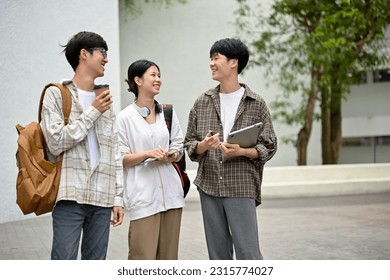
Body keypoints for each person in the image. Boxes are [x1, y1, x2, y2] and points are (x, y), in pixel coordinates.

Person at [184, 38, 277, 260]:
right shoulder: (202, 102)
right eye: (211, 58)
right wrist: (203, 146)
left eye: (216, 58)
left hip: (241, 185)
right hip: (209, 186)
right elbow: (189, 145)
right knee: (217, 256)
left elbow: (270, 146)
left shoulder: (256, 103)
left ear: (233, 62)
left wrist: (243, 152)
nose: (211, 63)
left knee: (248, 253)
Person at [40, 31, 124, 260]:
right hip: (70, 195)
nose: (106, 58)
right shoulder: (57, 93)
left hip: (103, 197)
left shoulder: (104, 98)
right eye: (102, 52)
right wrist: (93, 111)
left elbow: (115, 152)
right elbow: (56, 142)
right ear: (84, 54)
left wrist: (118, 198)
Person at [116, 59, 185, 260]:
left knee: (168, 259)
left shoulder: (168, 112)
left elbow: (179, 145)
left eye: (159, 75)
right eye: (153, 75)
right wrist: (147, 154)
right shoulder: (124, 118)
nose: (158, 79)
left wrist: (172, 154)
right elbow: (120, 158)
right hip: (143, 198)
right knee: (142, 258)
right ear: (137, 80)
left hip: (172, 196)